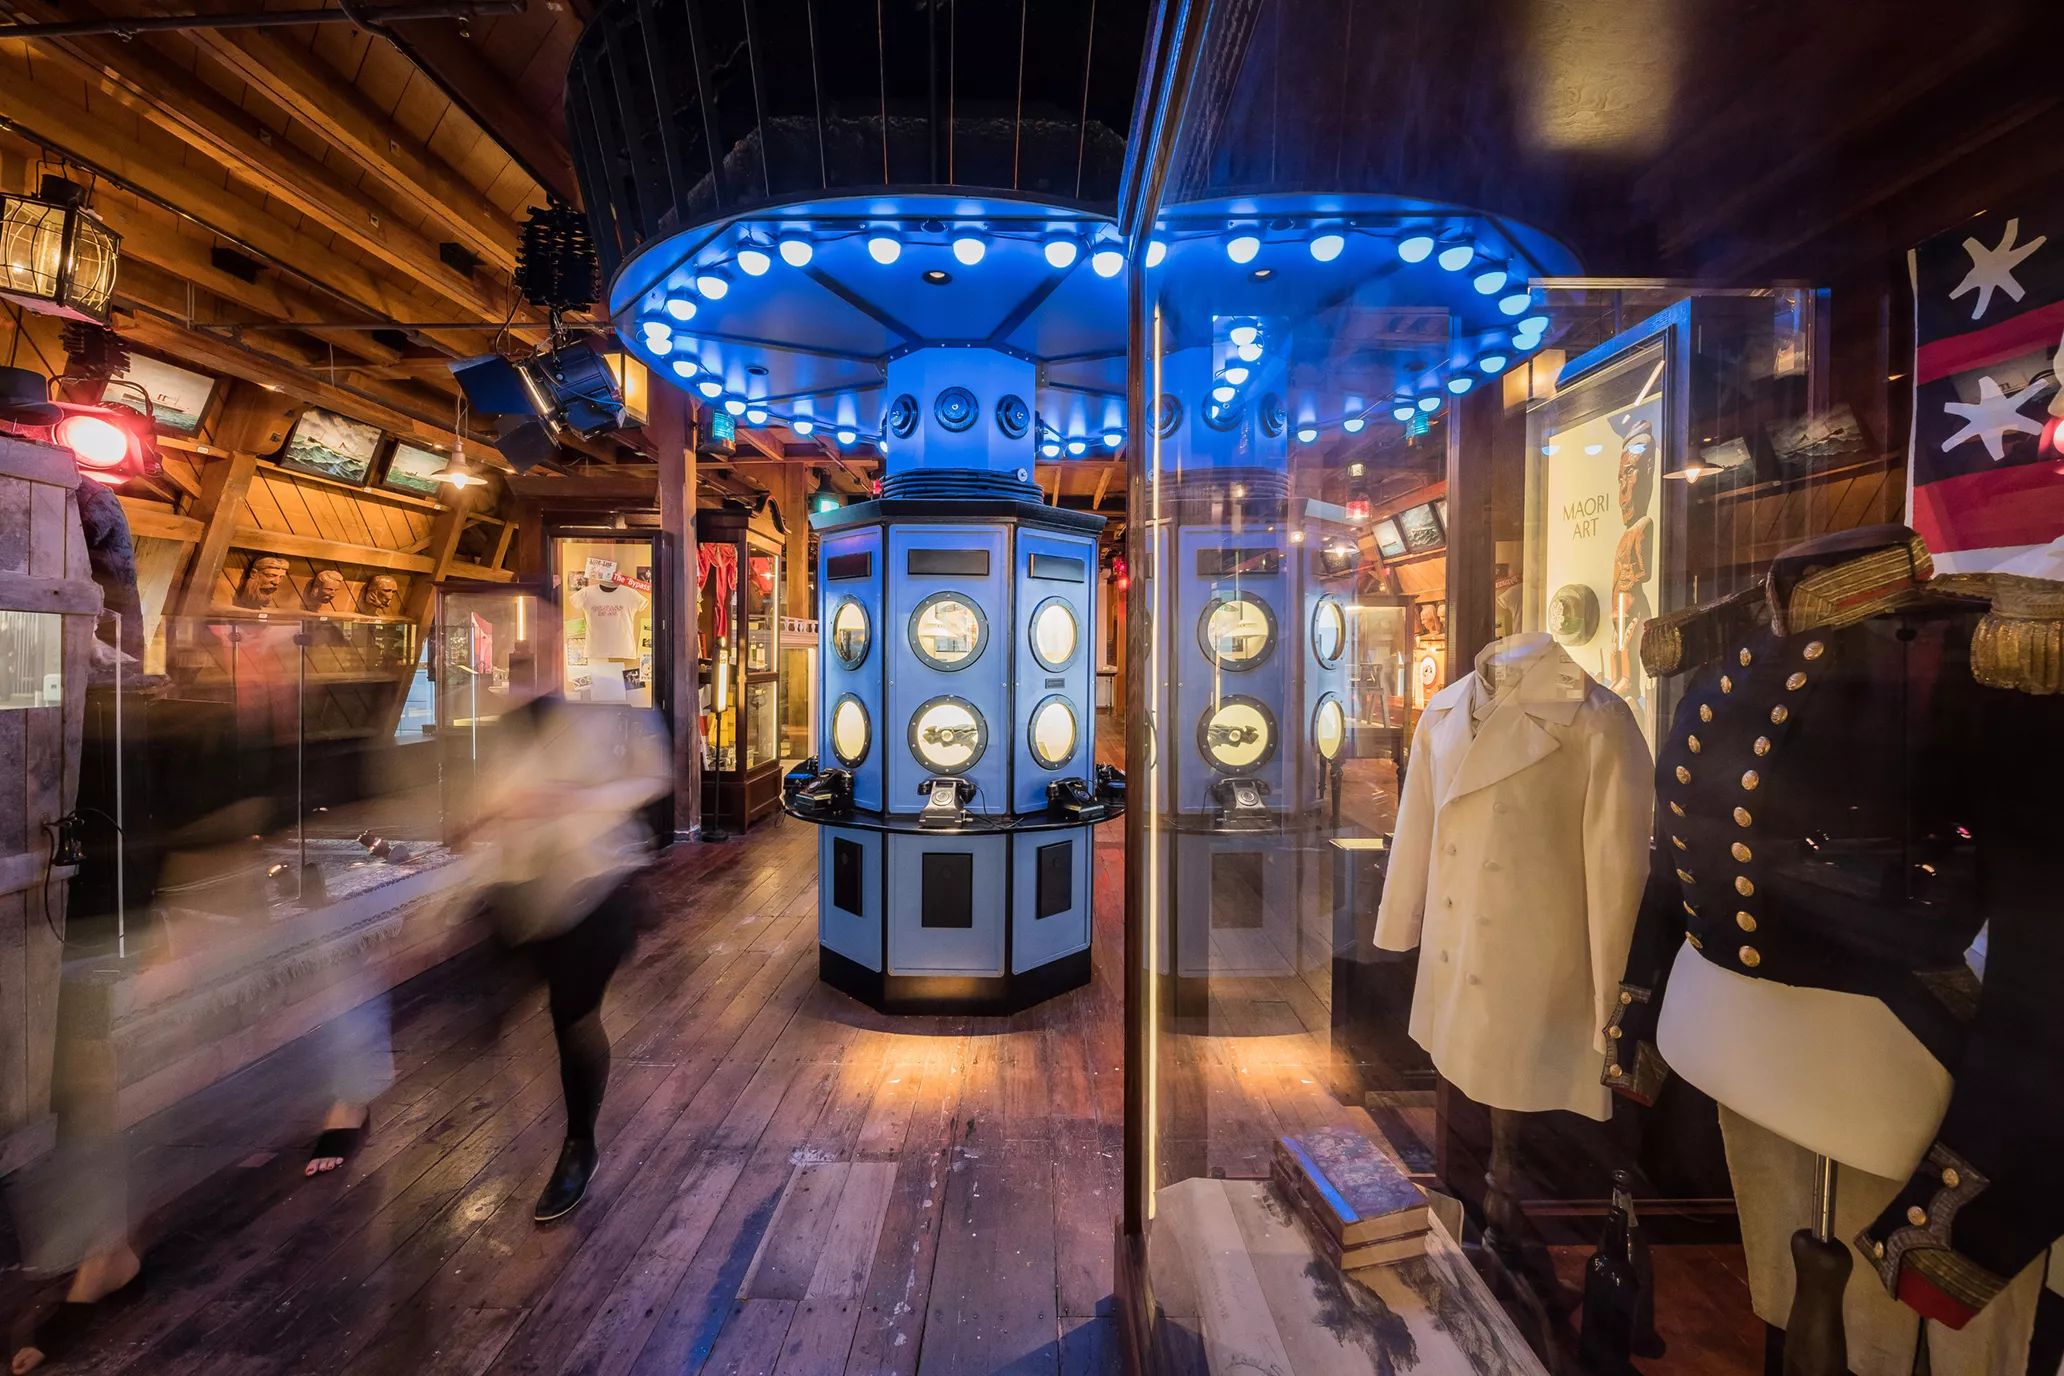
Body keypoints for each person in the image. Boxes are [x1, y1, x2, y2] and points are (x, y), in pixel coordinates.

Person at [461, 687, 671, 1221]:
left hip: (593, 890)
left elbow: (654, 773)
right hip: (522, 891)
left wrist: (575, 798)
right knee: (488, 1012)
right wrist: (483, 818)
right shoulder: (503, 721)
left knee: (572, 1019)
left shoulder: (604, 700)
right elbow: (479, 805)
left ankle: (580, 1145)